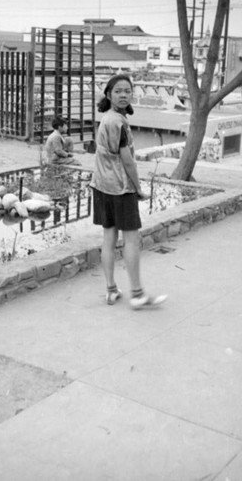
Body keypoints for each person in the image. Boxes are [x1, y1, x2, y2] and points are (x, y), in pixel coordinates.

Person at [90, 74, 167, 309]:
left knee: (109, 237)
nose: (123, 95)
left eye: (127, 91)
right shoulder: (118, 123)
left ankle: (111, 290)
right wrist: (138, 188)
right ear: (109, 94)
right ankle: (137, 294)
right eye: (118, 91)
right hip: (120, 188)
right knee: (132, 239)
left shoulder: (106, 119)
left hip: (101, 185)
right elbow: (128, 161)